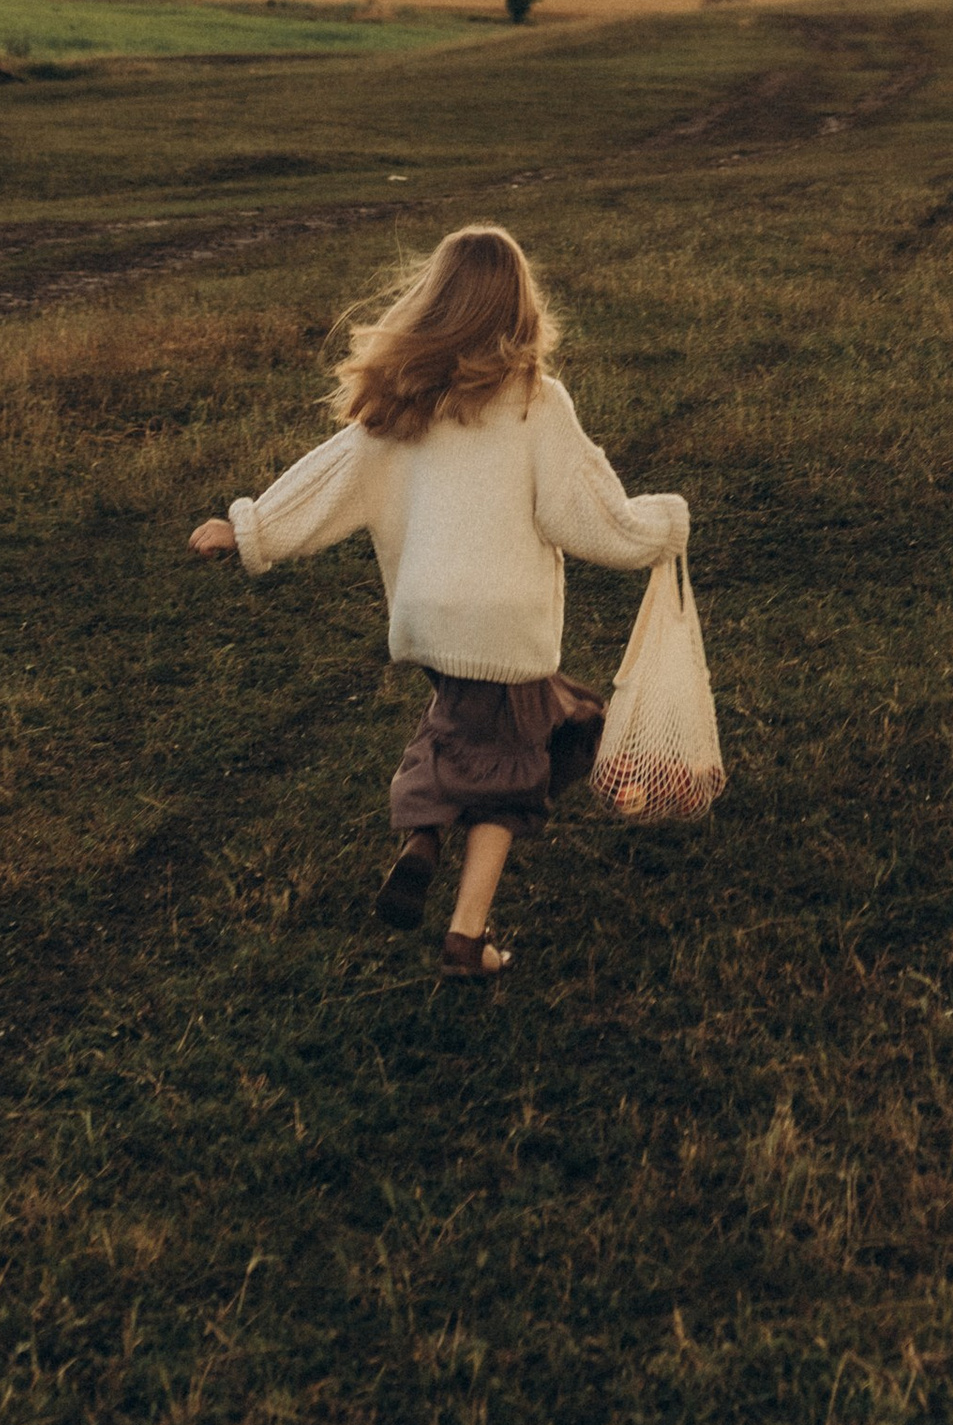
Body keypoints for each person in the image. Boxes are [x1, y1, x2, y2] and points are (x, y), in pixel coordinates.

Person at [189, 223, 690, 981]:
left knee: (475, 727)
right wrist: (660, 527)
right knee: (521, 768)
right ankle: (463, 932)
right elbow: (583, 513)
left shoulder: (403, 405)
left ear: (434, 302)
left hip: (430, 619)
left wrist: (249, 527)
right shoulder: (534, 402)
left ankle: (425, 837)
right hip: (506, 627)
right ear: (520, 308)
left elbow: (332, 478)